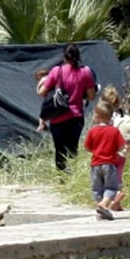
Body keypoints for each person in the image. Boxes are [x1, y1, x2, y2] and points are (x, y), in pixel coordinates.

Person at [38, 43, 98, 171]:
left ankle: (61, 175)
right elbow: (92, 96)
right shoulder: (86, 72)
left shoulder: (57, 71)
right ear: (78, 56)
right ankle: (73, 175)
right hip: (76, 117)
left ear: (64, 56)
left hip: (58, 117)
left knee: (59, 150)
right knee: (72, 150)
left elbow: (42, 92)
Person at [84, 101, 125, 221]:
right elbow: (121, 147)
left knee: (97, 188)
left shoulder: (92, 131)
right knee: (111, 188)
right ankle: (103, 205)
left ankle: (102, 208)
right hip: (110, 164)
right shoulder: (114, 131)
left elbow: (87, 147)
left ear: (97, 116)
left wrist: (96, 149)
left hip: (95, 165)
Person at [33, 68, 51, 132]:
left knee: (43, 113)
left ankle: (41, 125)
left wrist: (38, 89)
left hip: (50, 98)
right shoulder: (52, 78)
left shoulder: (44, 79)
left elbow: (39, 91)